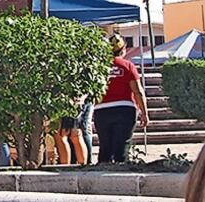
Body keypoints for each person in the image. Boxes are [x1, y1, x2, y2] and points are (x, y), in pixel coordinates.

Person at [94, 34, 149, 163]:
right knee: (122, 148)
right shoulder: (128, 66)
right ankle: (122, 175)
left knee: (105, 147)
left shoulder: (98, 67)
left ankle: (101, 177)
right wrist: (144, 113)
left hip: (101, 111)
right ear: (123, 49)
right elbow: (138, 91)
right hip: (125, 110)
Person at [54, 100, 89, 165]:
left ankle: (67, 166)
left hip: (70, 99)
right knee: (72, 134)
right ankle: (82, 165)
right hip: (75, 100)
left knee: (64, 134)